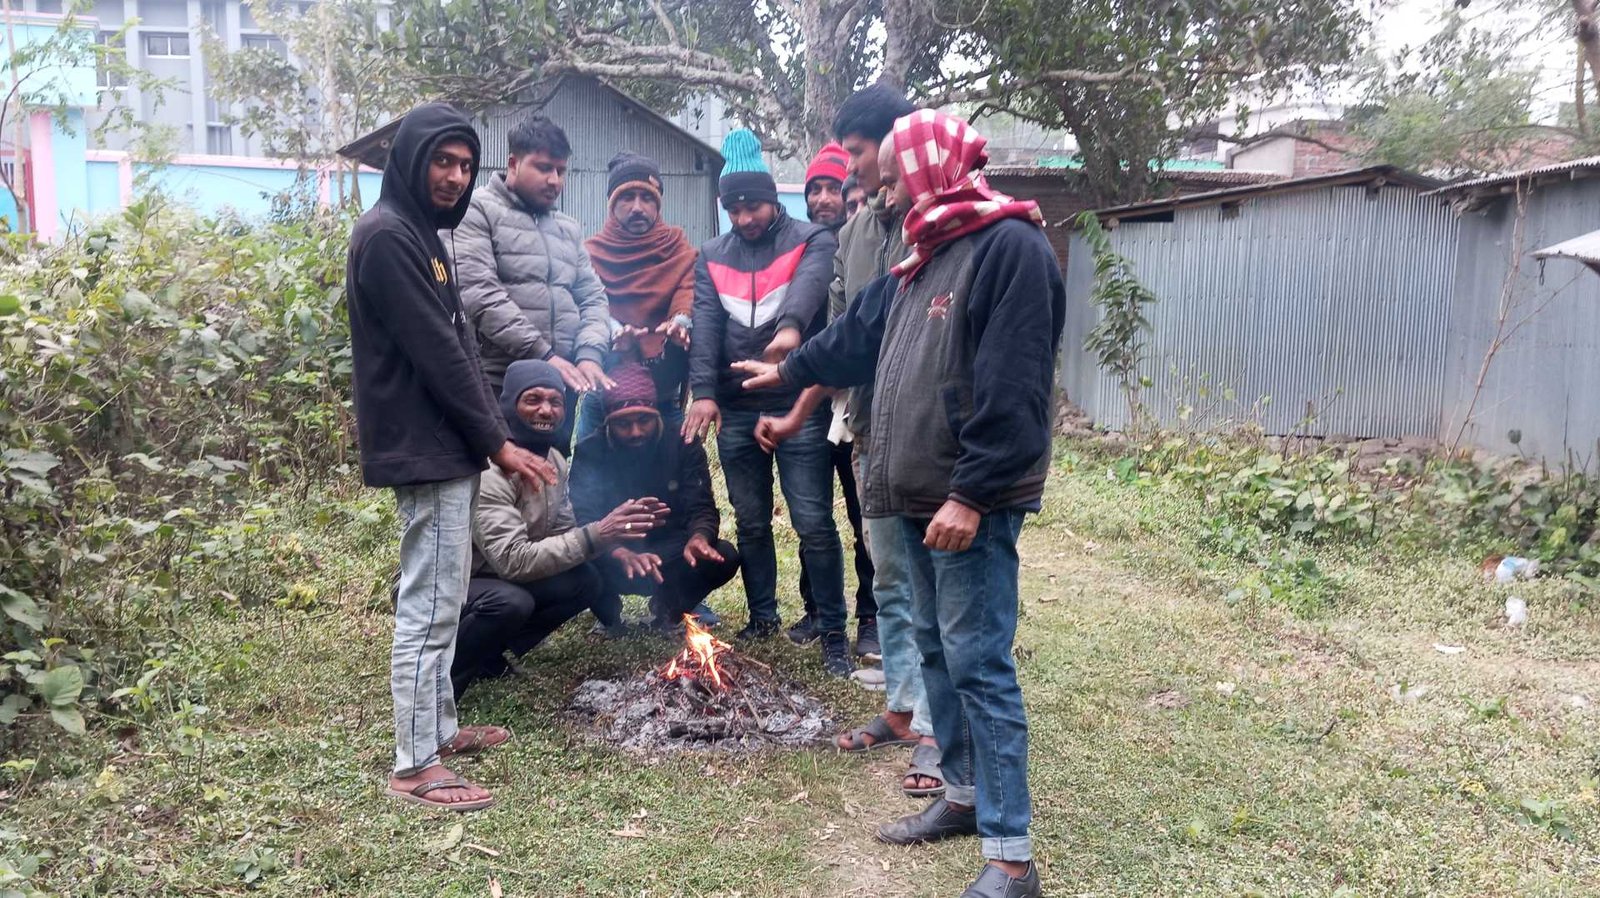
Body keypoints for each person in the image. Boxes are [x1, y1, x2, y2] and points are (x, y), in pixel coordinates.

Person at [735, 108, 1064, 898]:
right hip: (916, 491)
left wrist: (974, 495)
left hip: (964, 501)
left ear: (931, 167)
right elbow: (851, 336)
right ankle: (959, 794)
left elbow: (1016, 389)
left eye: (892, 175)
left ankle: (1013, 858)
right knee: (940, 654)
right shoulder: (923, 256)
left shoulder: (1009, 247)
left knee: (981, 662)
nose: (884, 189)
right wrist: (784, 374)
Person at [346, 102, 558, 813]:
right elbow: (436, 356)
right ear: (411, 160)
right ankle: (413, 765)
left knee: (443, 593)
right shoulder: (386, 238)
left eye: (465, 164)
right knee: (430, 604)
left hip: (450, 443)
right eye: (443, 160)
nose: (455, 176)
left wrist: (490, 438)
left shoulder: (428, 237)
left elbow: (463, 346)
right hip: (422, 446)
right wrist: (498, 441)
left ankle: (437, 731)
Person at [757, 85, 941, 800]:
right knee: (891, 575)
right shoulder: (859, 235)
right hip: (870, 432)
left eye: (859, 156)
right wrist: (800, 408)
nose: (854, 170)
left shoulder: (950, 225)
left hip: (932, 436)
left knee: (939, 591)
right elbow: (845, 341)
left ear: (900, 145)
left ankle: (938, 728)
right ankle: (903, 708)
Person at [681, 128, 853, 677]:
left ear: (771, 198)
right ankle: (761, 617)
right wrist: (704, 394)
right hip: (736, 408)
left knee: (813, 521)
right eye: (733, 207)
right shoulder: (711, 254)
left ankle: (830, 628)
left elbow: (808, 289)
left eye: (752, 204)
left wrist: (792, 329)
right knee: (751, 521)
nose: (745, 217)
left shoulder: (812, 238)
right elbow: (705, 327)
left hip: (798, 401)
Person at [458, 359, 667, 695]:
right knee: (510, 602)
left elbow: (565, 531)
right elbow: (513, 561)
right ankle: (447, 674)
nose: (546, 411)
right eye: (533, 400)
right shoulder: (490, 471)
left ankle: (489, 653)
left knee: (583, 581)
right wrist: (600, 532)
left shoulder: (554, 460)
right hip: (457, 584)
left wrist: (614, 539)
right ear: (509, 405)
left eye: (555, 402)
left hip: (498, 577)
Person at [451, 113, 614, 450]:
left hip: (560, 385)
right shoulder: (476, 212)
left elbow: (593, 298)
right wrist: (544, 354)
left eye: (561, 170)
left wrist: (588, 354)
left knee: (551, 480)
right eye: (543, 168)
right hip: (499, 382)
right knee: (499, 485)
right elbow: (480, 294)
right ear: (513, 163)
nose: (554, 180)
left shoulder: (568, 228)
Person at [787, 141, 878, 663]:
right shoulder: (799, 249)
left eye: (836, 190)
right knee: (811, 512)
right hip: (810, 401)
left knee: (864, 510)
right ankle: (819, 608)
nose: (826, 199)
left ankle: (869, 616)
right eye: (817, 189)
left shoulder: (869, 248)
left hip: (856, 402)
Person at [571, 364, 741, 630]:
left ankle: (667, 610)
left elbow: (702, 507)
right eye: (624, 424)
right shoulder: (589, 450)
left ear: (657, 416)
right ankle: (610, 618)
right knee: (574, 560)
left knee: (724, 555)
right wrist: (617, 551)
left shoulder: (683, 443)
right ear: (608, 422)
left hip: (670, 554)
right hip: (613, 556)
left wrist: (699, 538)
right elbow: (583, 517)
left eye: (644, 420)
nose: (636, 431)